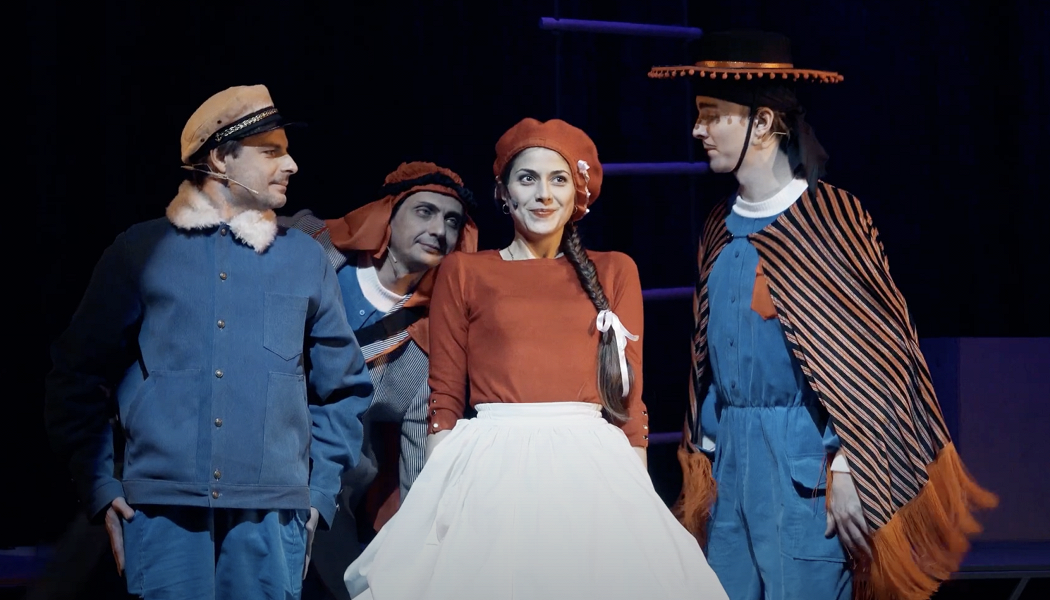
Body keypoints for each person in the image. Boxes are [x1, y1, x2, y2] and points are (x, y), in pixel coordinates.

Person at [648, 30, 997, 600]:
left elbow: (878, 357)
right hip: (731, 469)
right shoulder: (717, 225)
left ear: (763, 123)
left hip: (802, 471)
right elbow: (707, 360)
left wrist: (849, 464)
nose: (698, 130)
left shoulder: (832, 219)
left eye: (712, 116)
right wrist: (707, 452)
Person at [342, 117, 729, 600]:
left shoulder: (615, 270)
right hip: (490, 466)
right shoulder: (465, 271)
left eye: (558, 179)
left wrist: (640, 498)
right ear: (504, 193)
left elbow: (629, 401)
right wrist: (435, 500)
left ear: (576, 193)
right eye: (528, 179)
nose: (544, 194)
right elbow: (444, 398)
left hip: (592, 468)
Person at [44, 84, 375, 600]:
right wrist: (101, 487)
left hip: (271, 514)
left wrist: (318, 494)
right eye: (271, 151)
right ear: (221, 157)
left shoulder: (304, 259)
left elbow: (346, 388)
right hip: (163, 511)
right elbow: (75, 373)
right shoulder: (140, 251)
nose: (291, 165)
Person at [282, 161, 478, 600]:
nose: (439, 229)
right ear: (389, 215)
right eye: (425, 212)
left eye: (452, 221)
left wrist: (421, 555)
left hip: (329, 491)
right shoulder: (313, 248)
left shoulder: (426, 347)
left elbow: (418, 468)